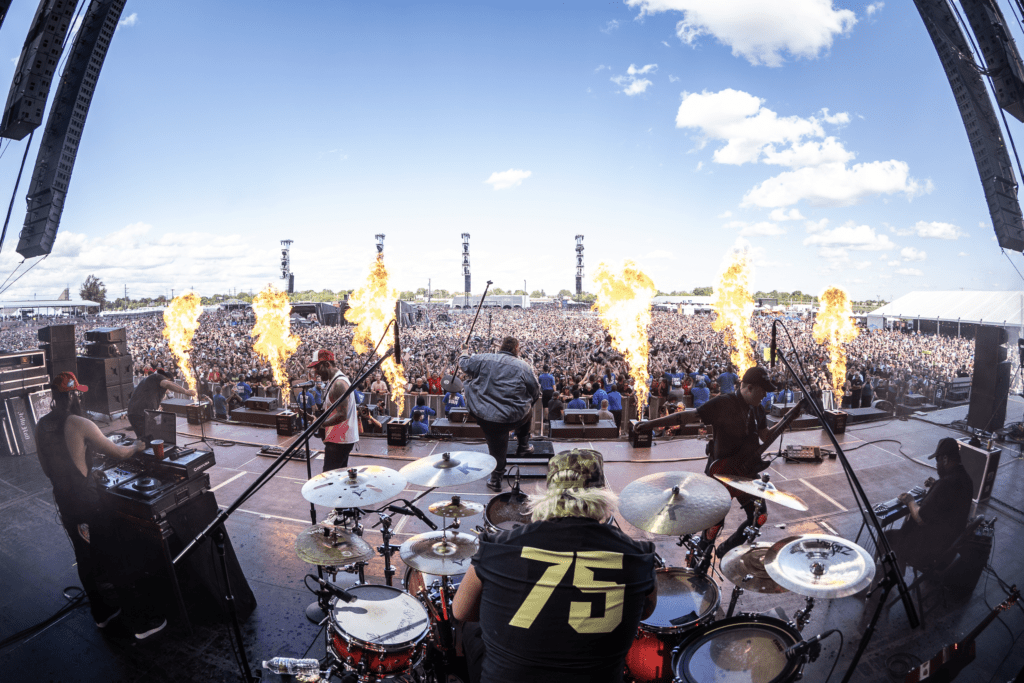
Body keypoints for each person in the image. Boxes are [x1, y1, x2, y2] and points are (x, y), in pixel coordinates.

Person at [453, 448, 657, 683]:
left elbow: (461, 611)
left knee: (472, 631)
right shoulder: (638, 556)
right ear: (601, 493)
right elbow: (645, 611)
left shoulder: (498, 545)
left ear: (549, 493)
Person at [35, 372, 167, 639]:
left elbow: (48, 466)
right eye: (77, 393)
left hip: (65, 501)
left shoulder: (41, 424)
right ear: (72, 395)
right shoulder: (79, 422)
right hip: (89, 503)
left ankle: (102, 615)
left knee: (85, 558)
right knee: (117, 557)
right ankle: (141, 624)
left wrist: (80, 472)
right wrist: (138, 447)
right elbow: (117, 452)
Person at [694, 366, 778, 563]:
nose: (765, 395)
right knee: (714, 525)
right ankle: (700, 559)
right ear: (749, 387)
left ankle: (725, 550)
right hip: (721, 473)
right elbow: (690, 416)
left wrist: (787, 419)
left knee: (759, 517)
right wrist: (648, 425)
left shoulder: (757, 408)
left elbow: (765, 435)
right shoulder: (725, 403)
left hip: (746, 472)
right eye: (762, 390)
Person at [458, 336, 540, 492]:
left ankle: (496, 479)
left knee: (496, 445)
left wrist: (464, 350)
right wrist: (525, 402)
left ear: (501, 346)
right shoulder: (523, 366)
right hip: (513, 417)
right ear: (516, 348)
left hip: (484, 414)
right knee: (528, 410)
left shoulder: (483, 358)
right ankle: (523, 446)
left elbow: (463, 364)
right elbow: (535, 392)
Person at [884, 437, 974, 576]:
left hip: (929, 552)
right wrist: (934, 486)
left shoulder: (945, 484)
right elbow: (949, 503)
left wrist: (910, 501)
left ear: (944, 459)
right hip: (948, 549)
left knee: (887, 537)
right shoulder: (967, 480)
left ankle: (896, 580)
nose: (937, 467)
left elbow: (920, 517)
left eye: (937, 461)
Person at [309, 349, 358, 472]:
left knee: (329, 479)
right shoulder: (334, 381)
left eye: (317, 367)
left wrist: (320, 424)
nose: (316, 372)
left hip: (339, 442)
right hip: (338, 440)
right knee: (339, 477)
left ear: (327, 364)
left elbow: (342, 415)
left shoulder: (339, 384)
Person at [125, 369, 197, 441]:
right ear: (168, 379)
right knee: (148, 441)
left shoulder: (151, 382)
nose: (167, 390)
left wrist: (156, 406)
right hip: (140, 414)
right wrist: (186, 391)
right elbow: (167, 384)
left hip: (135, 413)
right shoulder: (158, 377)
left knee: (144, 439)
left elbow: (150, 396)